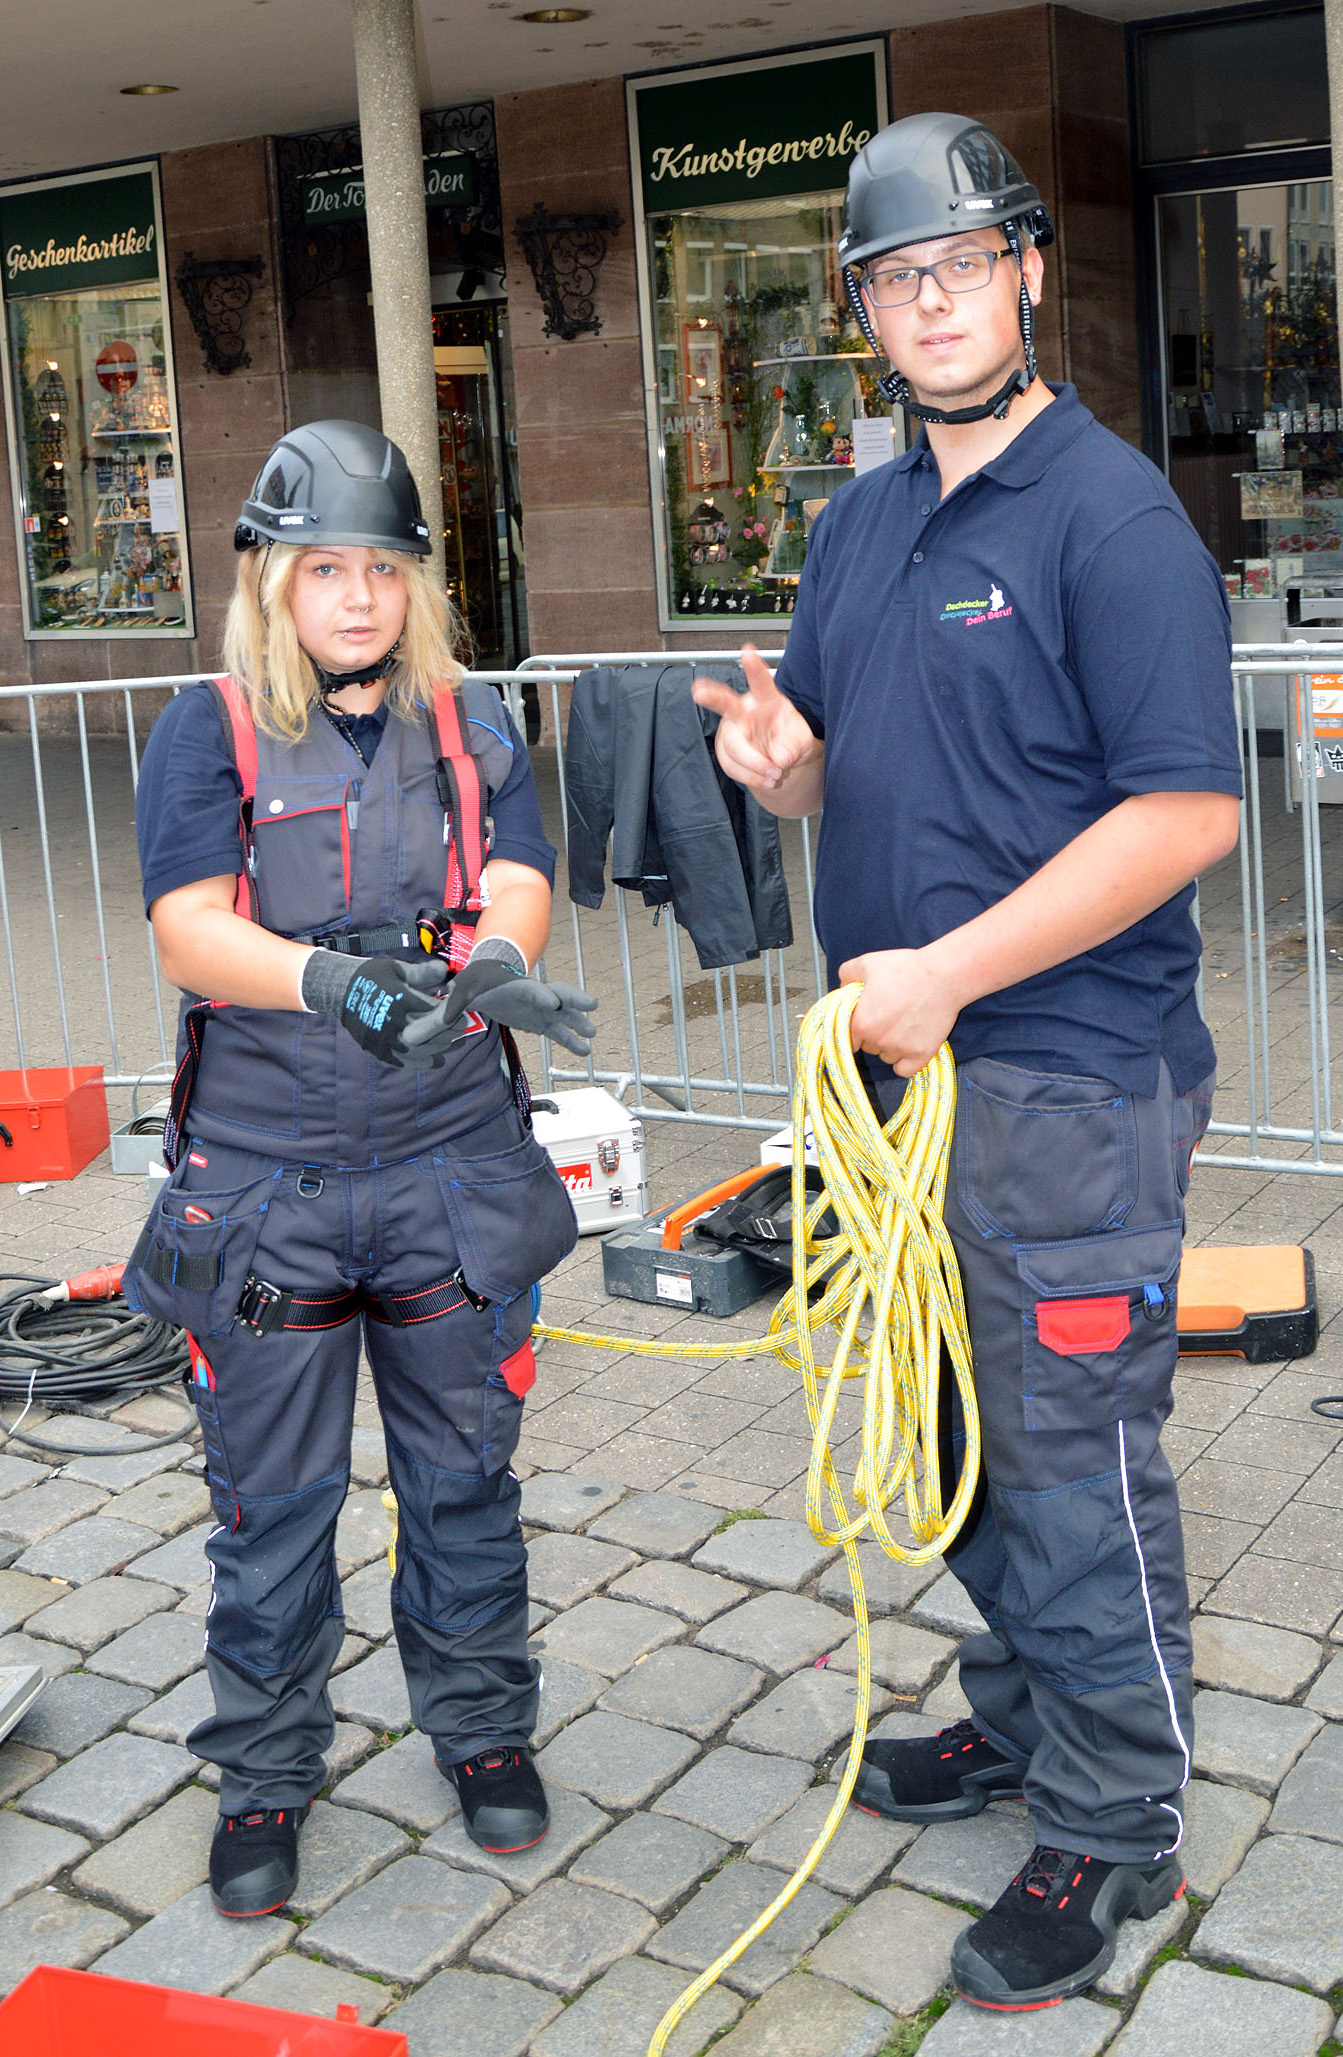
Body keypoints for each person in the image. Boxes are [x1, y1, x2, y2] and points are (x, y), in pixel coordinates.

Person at [694, 113, 1243, 2010]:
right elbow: (871, 762)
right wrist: (794, 770)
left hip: (1069, 1082)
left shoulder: (1111, 517)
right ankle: (1022, 1718)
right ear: (865, 312)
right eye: (891, 280)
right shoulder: (860, 520)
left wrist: (952, 975)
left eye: (957, 267)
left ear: (1025, 274)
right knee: (951, 1440)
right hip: (905, 1093)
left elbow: (1184, 814)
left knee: (1074, 1464)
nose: (928, 304)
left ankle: (1116, 1820)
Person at [124, 420, 595, 1917]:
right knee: (273, 1498)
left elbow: (517, 868)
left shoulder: (468, 720)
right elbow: (190, 923)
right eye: (323, 567)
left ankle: (482, 1732)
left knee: (465, 1479)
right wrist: (328, 986)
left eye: (379, 567)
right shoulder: (210, 730)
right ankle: (266, 1767)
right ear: (270, 579)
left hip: (453, 1166)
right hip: (267, 1181)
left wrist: (503, 956)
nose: (354, 596)